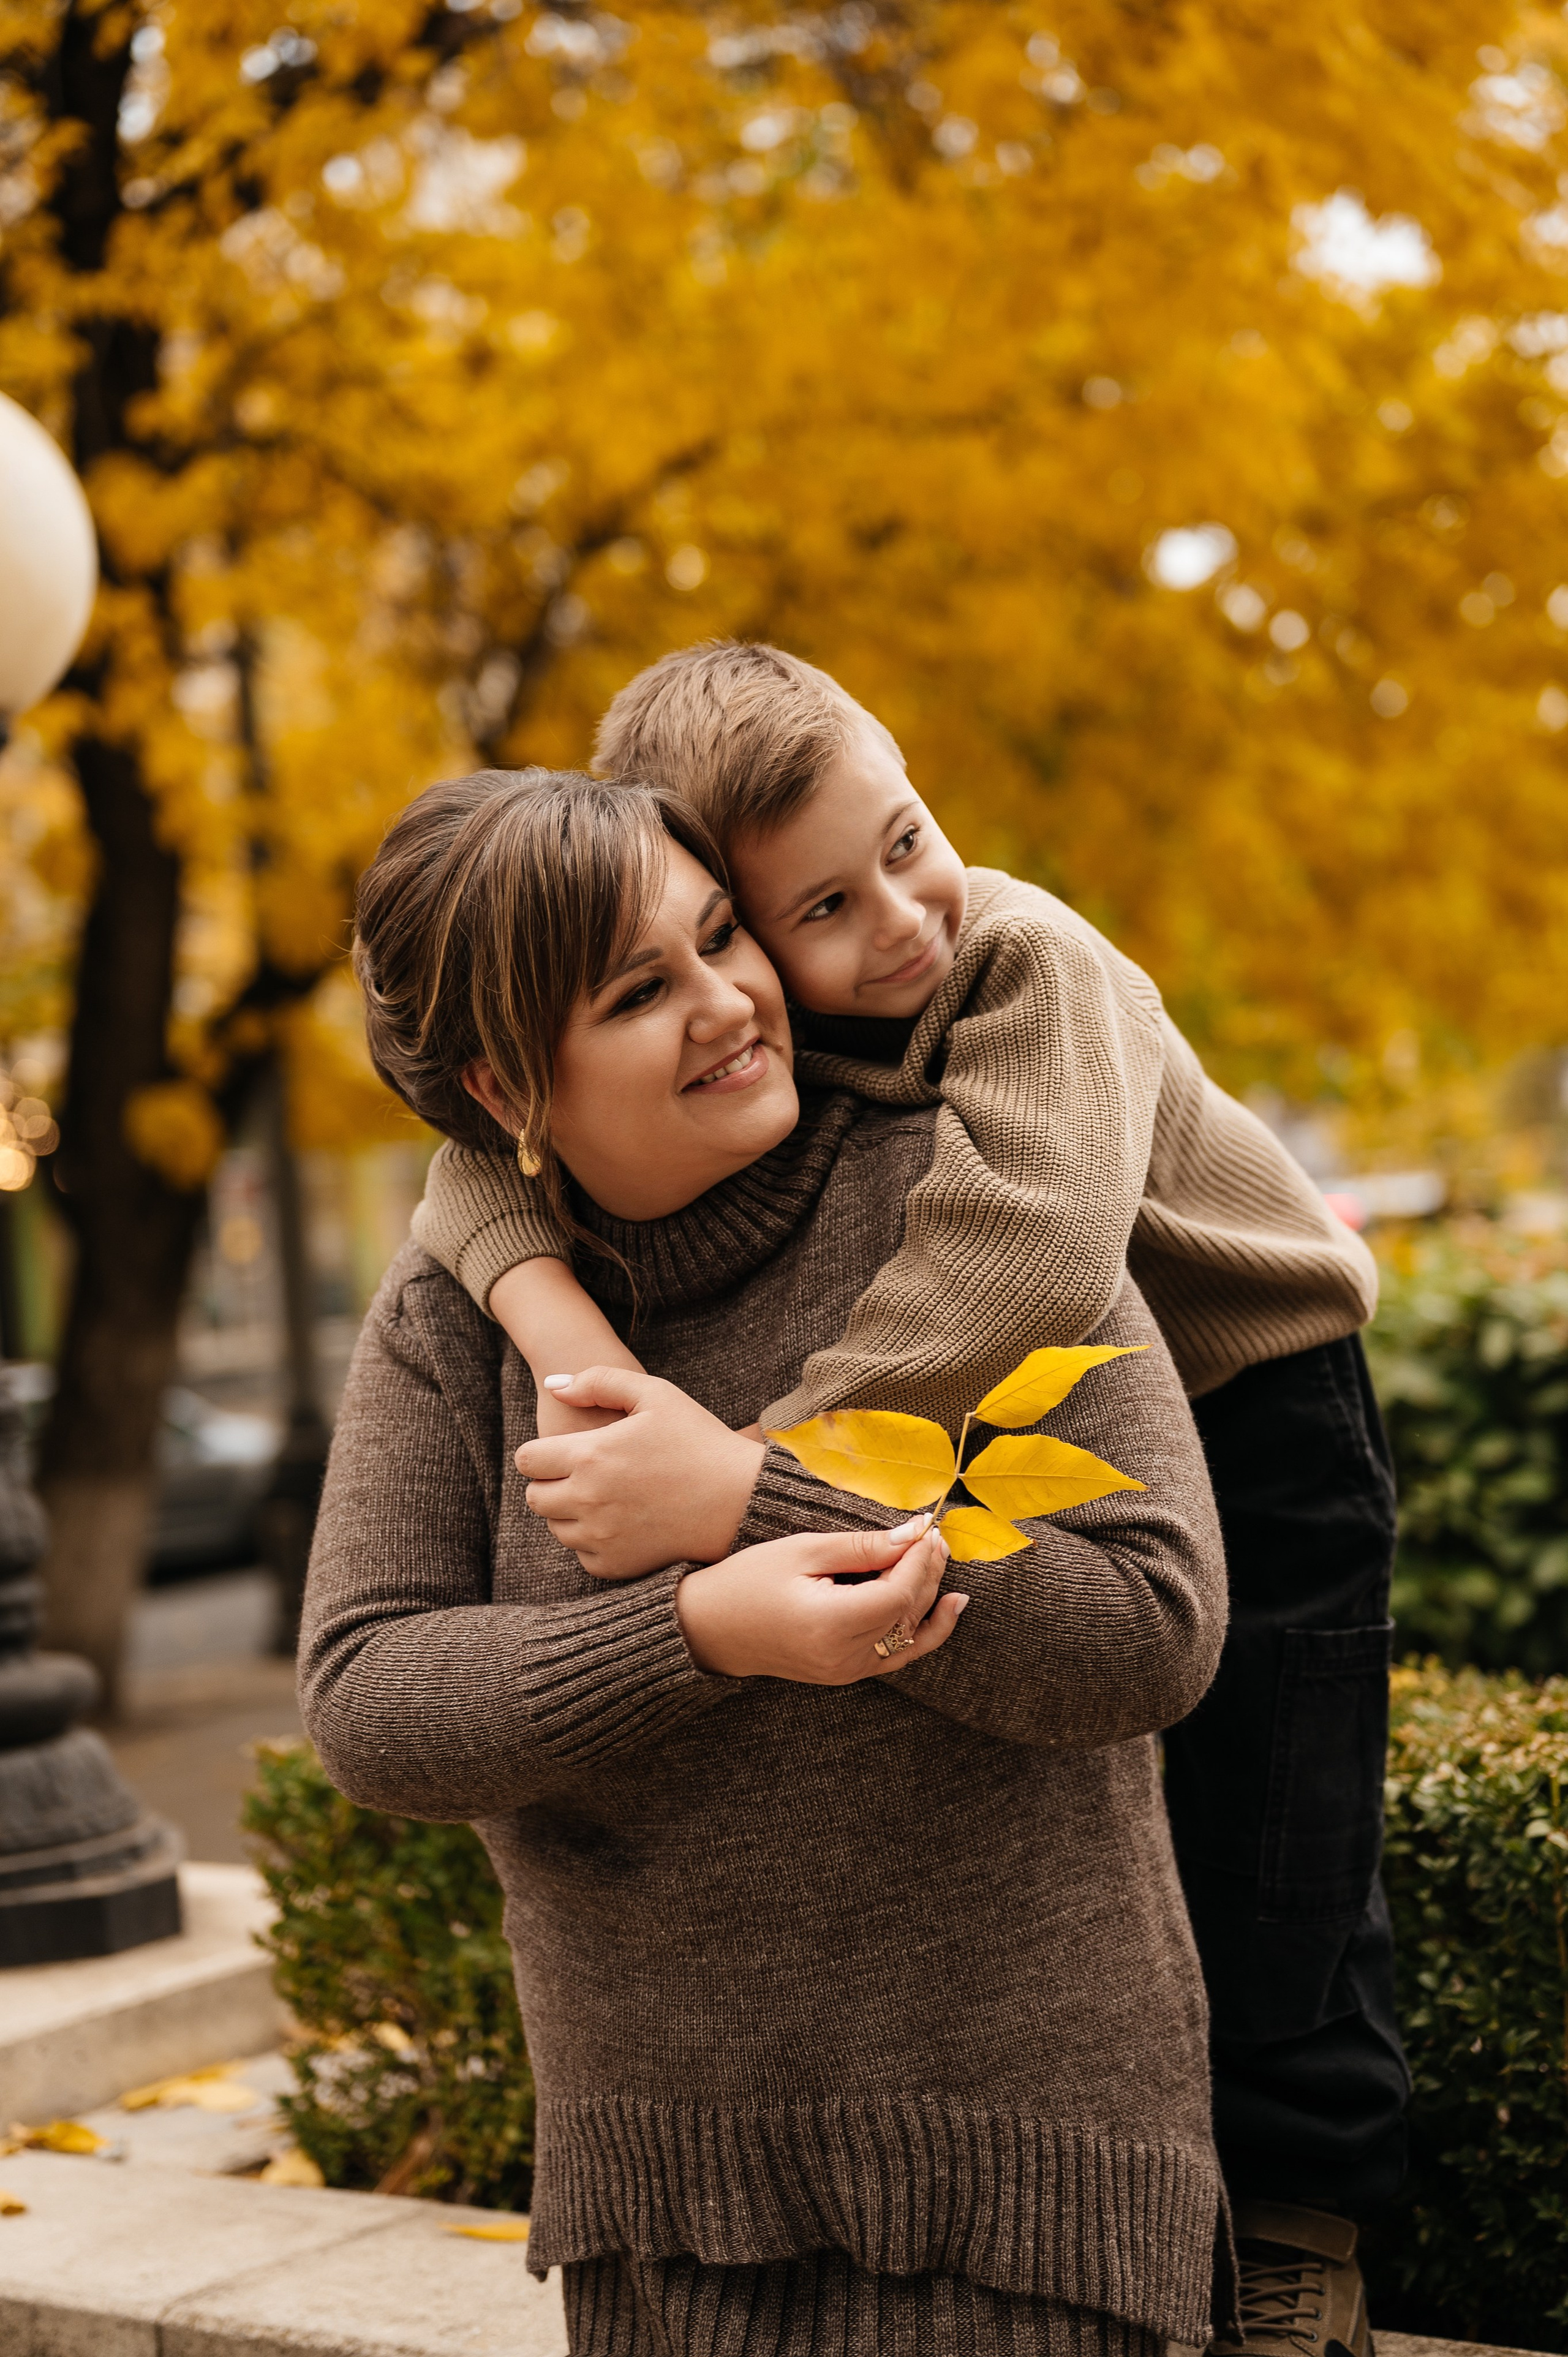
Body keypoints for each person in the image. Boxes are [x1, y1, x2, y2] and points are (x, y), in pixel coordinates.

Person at [411, 644, 1407, 2357]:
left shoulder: (1023, 962)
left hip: (1261, 1397)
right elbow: (466, 1173)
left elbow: (1021, 1257)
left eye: (908, 839)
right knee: (1160, 1851)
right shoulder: (748, 1012)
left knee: (1281, 1837)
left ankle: (1309, 2220)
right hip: (1044, 1394)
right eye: (817, 907)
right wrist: (552, 1308)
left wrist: (747, 1476)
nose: (901, 920)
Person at [304, 765, 1232, 2357]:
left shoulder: (973, 1194)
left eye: (723, 934)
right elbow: (367, 1699)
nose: (730, 1002)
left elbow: (1150, 1624)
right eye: (637, 992)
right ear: (508, 1091)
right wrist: (699, 1631)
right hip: (669, 2219)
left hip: (1040, 2192)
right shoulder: (455, 1319)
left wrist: (748, 1497)